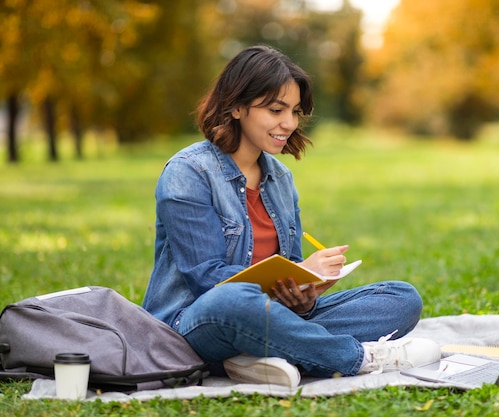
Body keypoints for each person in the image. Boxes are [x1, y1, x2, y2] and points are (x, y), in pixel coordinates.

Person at [142, 45, 440, 387]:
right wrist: (283, 287)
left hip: (268, 316)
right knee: (235, 302)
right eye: (275, 109)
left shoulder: (280, 179)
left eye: (295, 111)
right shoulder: (188, 172)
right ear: (237, 106)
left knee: (401, 298)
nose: (289, 123)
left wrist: (303, 291)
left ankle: (257, 356)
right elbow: (207, 279)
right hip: (196, 324)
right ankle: (360, 358)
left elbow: (289, 266)